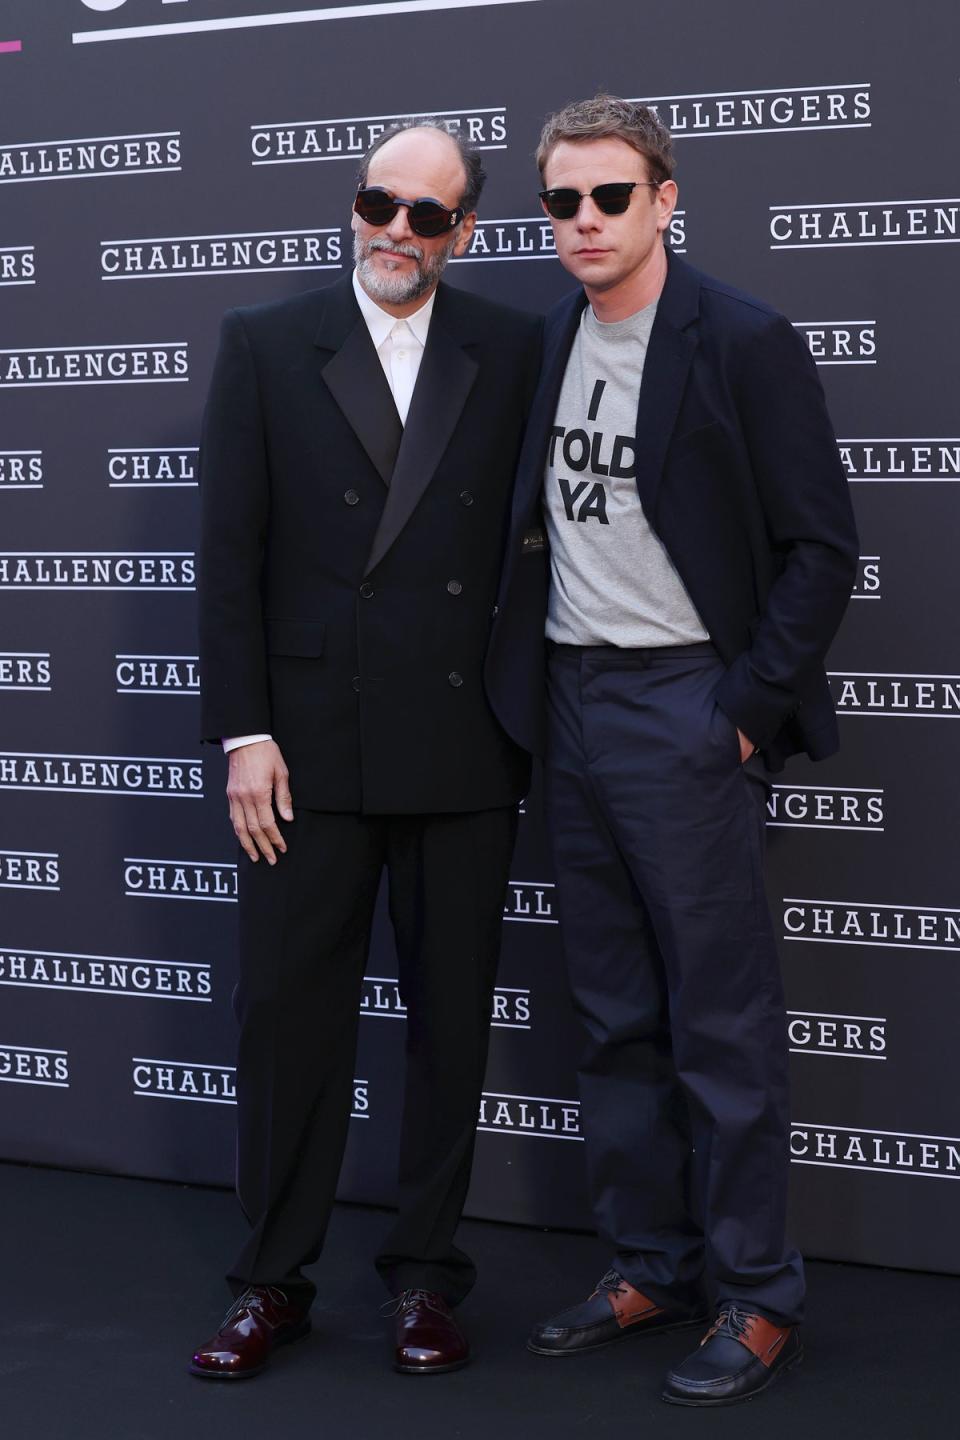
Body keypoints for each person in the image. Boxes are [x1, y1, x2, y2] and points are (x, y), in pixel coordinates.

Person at [486, 95, 858, 1407]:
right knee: (613, 1017)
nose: (584, 221)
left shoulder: (743, 340)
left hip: (687, 705)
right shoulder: (544, 345)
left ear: (665, 198)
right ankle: (649, 1262)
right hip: (574, 709)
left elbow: (823, 548)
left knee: (720, 1021)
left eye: (610, 196)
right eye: (562, 201)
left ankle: (758, 1295)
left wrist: (743, 707)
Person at [191, 118, 541, 1381]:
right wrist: (244, 732)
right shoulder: (267, 341)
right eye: (377, 204)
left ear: (467, 229)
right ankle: (270, 1280)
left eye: (427, 216)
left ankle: (425, 1278)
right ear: (354, 204)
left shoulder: (512, 346)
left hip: (460, 745)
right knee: (290, 1018)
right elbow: (229, 557)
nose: (396, 232)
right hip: (303, 750)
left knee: (450, 1023)